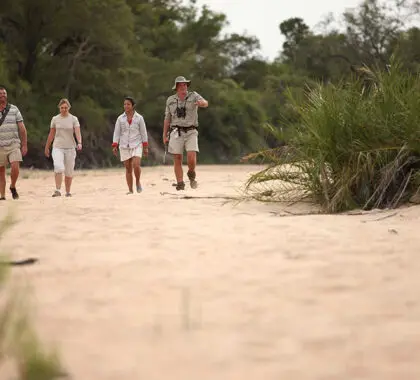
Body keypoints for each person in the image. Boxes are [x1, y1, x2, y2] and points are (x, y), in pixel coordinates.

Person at [162, 75, 208, 190]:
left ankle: (191, 174)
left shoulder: (194, 95)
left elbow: (205, 102)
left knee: (191, 157)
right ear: (176, 87)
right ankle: (180, 183)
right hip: (176, 131)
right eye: (181, 85)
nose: (183, 86)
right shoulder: (170, 100)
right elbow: (167, 118)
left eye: (185, 84)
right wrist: (164, 134)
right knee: (177, 157)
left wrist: (202, 103)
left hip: (191, 130)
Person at [44, 98, 82, 197]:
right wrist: (47, 147)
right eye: (62, 108)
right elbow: (51, 134)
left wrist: (79, 142)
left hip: (70, 148)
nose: (64, 109)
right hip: (58, 147)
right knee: (58, 166)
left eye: (66, 108)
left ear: (69, 108)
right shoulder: (55, 119)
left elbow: (77, 131)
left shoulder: (74, 119)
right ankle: (57, 190)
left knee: (69, 171)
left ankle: (68, 192)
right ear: (59, 108)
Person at [112, 96, 149, 194]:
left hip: (137, 144)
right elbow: (117, 133)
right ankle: (130, 190)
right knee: (128, 168)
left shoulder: (139, 118)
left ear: (133, 106)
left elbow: (143, 132)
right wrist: (115, 145)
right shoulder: (120, 119)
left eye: (128, 104)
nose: (126, 106)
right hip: (124, 145)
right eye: (124, 104)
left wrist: (145, 147)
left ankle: (137, 182)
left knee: (136, 165)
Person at [0, 86, 28, 200]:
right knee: (1, 171)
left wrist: (24, 144)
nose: (3, 95)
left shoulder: (14, 109)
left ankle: (12, 186)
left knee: (15, 166)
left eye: (4, 93)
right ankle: (2, 196)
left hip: (14, 144)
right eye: (0, 94)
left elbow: (22, 128)